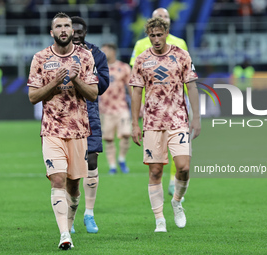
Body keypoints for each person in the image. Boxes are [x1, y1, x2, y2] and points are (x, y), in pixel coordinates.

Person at [27, 12, 99, 250]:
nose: (64, 29)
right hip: (51, 129)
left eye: (67, 25)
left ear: (71, 30)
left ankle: (70, 220)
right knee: (57, 180)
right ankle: (64, 235)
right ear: (52, 32)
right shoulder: (40, 58)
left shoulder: (86, 56)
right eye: (59, 26)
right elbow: (32, 97)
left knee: (74, 186)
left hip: (78, 130)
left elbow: (93, 94)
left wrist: (76, 80)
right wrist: (54, 83)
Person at [130, 17, 201, 232]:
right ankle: (159, 219)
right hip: (152, 123)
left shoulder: (181, 55)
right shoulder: (142, 60)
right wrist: (135, 123)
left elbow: (192, 87)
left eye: (159, 34)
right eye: (152, 35)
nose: (156, 39)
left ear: (167, 33)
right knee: (155, 172)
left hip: (178, 120)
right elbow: (136, 92)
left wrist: (196, 117)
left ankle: (177, 202)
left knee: (184, 167)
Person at [130, 7, 188, 197]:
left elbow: (186, 75)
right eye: (159, 17)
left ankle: (174, 180)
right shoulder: (141, 45)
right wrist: (137, 107)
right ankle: (160, 212)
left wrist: (187, 100)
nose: (163, 18)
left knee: (179, 152)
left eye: (165, 17)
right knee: (155, 163)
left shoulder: (180, 44)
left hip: (177, 106)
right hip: (153, 110)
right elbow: (135, 79)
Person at [70, 16, 109, 234]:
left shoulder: (97, 54)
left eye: (79, 30)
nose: (75, 33)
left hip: (89, 112)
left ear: (85, 32)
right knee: (69, 169)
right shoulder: (55, 54)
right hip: (64, 116)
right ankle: (70, 215)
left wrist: (86, 70)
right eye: (71, 29)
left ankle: (89, 214)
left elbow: (102, 85)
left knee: (92, 160)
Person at [100, 43, 132, 174]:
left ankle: (122, 159)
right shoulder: (99, 68)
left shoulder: (123, 67)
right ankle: (112, 166)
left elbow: (130, 87)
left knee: (126, 134)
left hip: (121, 107)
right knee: (108, 139)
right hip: (105, 109)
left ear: (113, 51)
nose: (103, 53)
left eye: (105, 51)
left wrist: (138, 104)